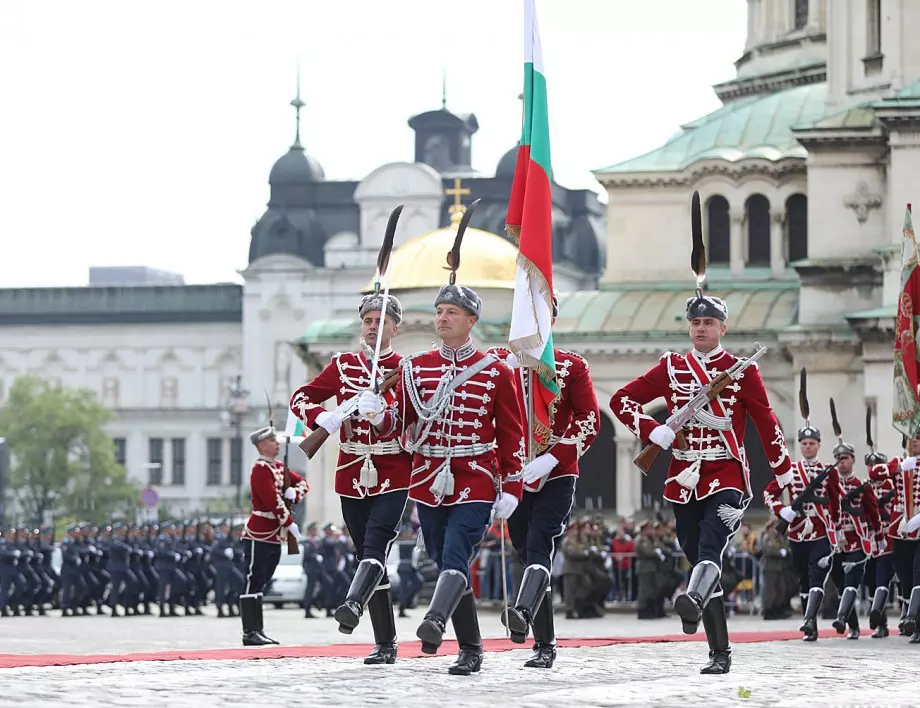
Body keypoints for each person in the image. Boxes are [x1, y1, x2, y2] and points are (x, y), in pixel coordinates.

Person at [611, 291, 793, 674]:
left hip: (727, 474)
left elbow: (765, 420)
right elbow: (621, 400)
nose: (700, 328)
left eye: (708, 323)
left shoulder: (743, 370)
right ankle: (719, 650)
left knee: (711, 545)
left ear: (722, 328)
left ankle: (692, 598)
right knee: (697, 555)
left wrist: (783, 469)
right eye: (695, 322)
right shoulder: (672, 368)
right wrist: (652, 429)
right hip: (682, 476)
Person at [360, 272, 525, 676]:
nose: (442, 318)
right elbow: (404, 423)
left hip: (476, 477)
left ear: (472, 320)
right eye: (439, 311)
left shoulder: (494, 370)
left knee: (456, 553)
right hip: (428, 477)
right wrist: (380, 414)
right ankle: (471, 647)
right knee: (443, 557)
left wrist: (514, 486)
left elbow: (511, 432)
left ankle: (434, 621)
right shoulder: (418, 368)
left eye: (452, 312)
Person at [289, 292, 412, 665]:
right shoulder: (342, 366)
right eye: (368, 321)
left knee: (375, 546)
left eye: (381, 321)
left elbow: (413, 419)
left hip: (393, 472)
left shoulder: (406, 369)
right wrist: (320, 418)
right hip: (352, 472)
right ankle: (386, 642)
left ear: (395, 327)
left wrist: (383, 414)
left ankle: (353, 604)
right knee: (366, 555)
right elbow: (300, 396)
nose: (374, 327)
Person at [486, 295, 600, 669]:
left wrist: (554, 457)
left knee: (540, 544)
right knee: (525, 551)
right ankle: (543, 640)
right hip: (514, 473)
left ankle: (527, 620)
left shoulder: (570, 366)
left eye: (542, 311)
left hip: (556, 473)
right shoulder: (498, 364)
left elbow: (589, 420)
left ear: (553, 317)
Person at [762, 391, 833, 640]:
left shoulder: (827, 471)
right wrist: (783, 511)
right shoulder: (790, 470)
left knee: (816, 575)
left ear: (818, 445)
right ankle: (809, 621)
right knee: (803, 577)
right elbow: (768, 494)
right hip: (796, 532)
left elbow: (836, 503)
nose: (807, 447)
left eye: (812, 443)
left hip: (822, 530)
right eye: (804, 443)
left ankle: (809, 620)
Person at [239, 425, 308, 646]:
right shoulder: (260, 469)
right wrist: (289, 523)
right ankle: (250, 631)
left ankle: (258, 630)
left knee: (263, 581)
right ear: (262, 446)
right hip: (259, 532)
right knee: (254, 580)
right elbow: (272, 501)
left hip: (273, 535)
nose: (277, 444)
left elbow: (304, 483)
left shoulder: (278, 467)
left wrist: (294, 492)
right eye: (272, 441)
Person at [825, 432, 883, 640]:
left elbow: (873, 512)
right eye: (839, 460)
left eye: (846, 459)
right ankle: (854, 626)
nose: (842, 463)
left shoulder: (862, 486)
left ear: (853, 460)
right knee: (841, 585)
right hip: (837, 543)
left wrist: (878, 535)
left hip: (858, 542)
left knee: (857, 582)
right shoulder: (831, 485)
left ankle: (845, 619)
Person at [869, 432, 920, 641]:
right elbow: (875, 473)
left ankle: (915, 622)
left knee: (919, 572)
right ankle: (911, 616)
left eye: (919, 437)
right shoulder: (900, 463)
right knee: (905, 573)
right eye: (912, 438)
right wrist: (899, 467)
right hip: (901, 529)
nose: (915, 441)